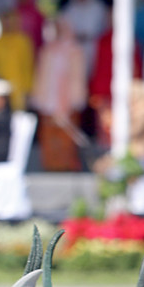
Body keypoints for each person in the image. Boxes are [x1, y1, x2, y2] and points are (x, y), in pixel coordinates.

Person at [32, 17, 87, 172]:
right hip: (49, 99)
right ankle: (50, 165)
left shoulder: (76, 51)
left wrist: (76, 99)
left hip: (69, 100)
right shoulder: (47, 50)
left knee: (67, 136)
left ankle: (66, 166)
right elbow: (41, 75)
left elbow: (79, 76)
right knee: (49, 135)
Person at [0, 10, 35, 111]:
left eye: (11, 21)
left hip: (19, 88)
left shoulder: (23, 42)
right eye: (6, 22)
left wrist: (28, 89)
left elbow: (28, 66)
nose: (8, 25)